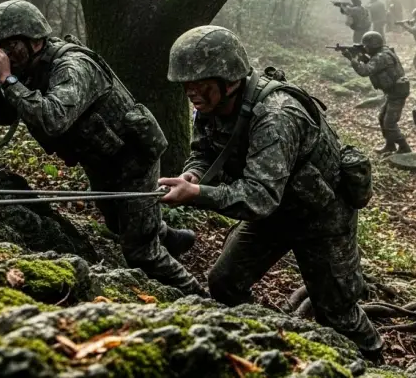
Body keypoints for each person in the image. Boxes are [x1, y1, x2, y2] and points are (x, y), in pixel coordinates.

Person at [157, 26, 384, 361]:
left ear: (229, 79)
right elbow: (204, 151)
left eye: (200, 83)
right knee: (224, 282)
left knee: (337, 311)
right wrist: (193, 173)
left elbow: (258, 198)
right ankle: (272, 344)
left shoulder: (276, 115)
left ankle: (375, 362)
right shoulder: (210, 105)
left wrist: (197, 193)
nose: (192, 92)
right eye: (186, 84)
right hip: (274, 211)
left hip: (321, 216)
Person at [0, 0, 202, 295]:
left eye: (10, 46)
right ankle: (167, 236)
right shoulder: (30, 68)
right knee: (116, 220)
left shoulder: (73, 66)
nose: (5, 55)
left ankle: (200, 296)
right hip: (100, 156)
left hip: (134, 154)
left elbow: (52, 119)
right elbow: (9, 115)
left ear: (35, 41)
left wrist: (8, 80)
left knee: (140, 252)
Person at [344, 31, 412, 155]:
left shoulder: (381, 56)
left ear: (373, 45)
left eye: (366, 46)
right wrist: (361, 56)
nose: (365, 48)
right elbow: (373, 65)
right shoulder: (382, 53)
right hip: (393, 92)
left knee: (389, 123)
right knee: (382, 118)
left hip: (397, 93)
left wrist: (353, 59)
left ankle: (405, 147)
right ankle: (390, 145)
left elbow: (365, 71)